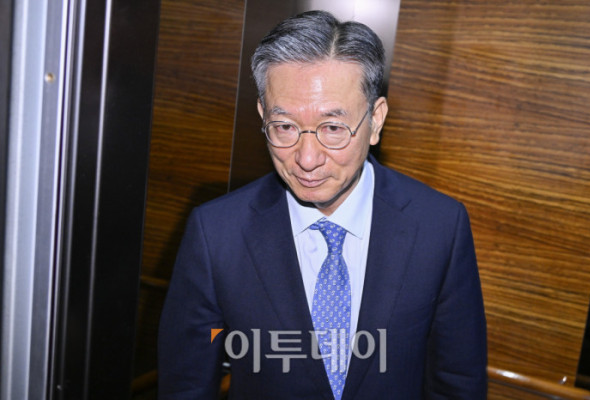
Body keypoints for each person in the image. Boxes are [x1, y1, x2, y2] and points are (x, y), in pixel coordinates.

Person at [158, 10, 487, 400]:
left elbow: (457, 382)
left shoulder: (439, 226)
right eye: (285, 127)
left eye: (332, 128)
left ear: (376, 120)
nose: (307, 158)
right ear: (263, 115)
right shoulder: (216, 234)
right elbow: (186, 385)